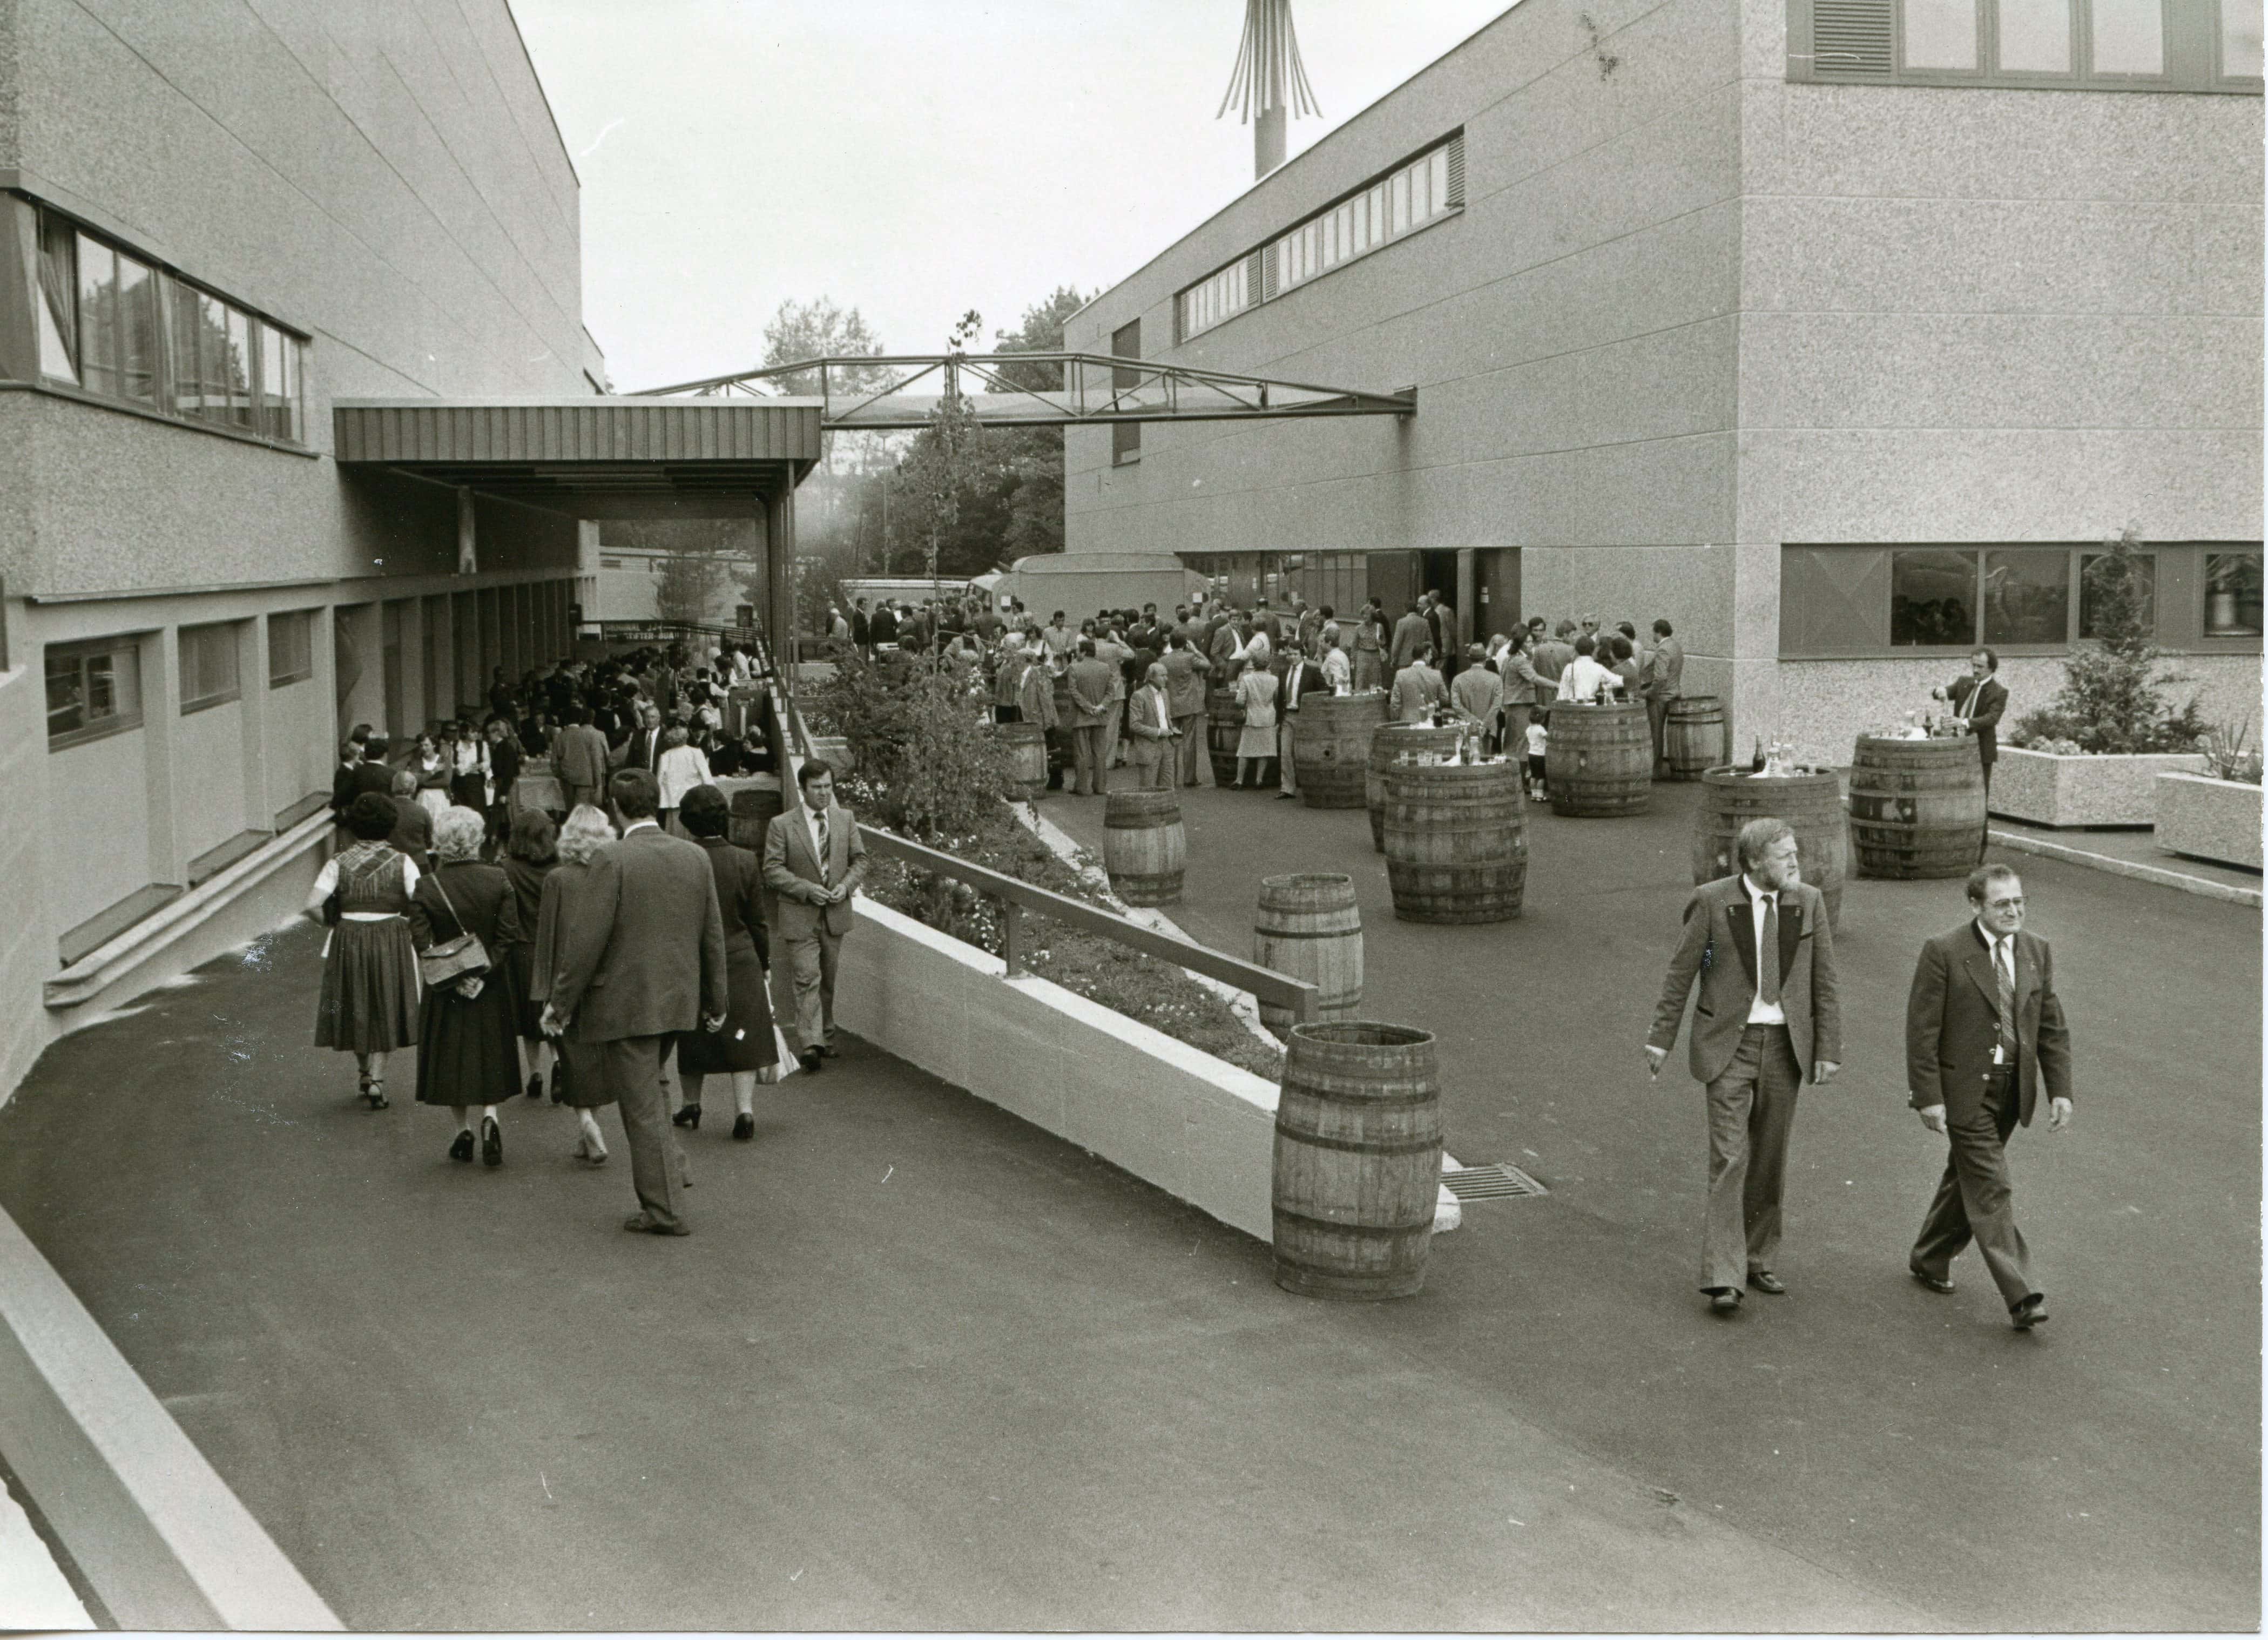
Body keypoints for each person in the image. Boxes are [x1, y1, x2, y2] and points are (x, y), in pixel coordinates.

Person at [1645, 818, 1842, 1314]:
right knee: (1730, 1156)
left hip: (1785, 1047)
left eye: (1796, 853)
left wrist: (1828, 1048)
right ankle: (1723, 1275)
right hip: (1726, 1044)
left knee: (1770, 1157)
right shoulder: (1713, 901)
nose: (1796, 863)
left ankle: (1757, 1256)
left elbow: (1825, 982)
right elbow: (1683, 971)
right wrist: (1660, 1038)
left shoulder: (1808, 901)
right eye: (1785, 856)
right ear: (1755, 861)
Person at [542, 768, 727, 1236]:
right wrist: (717, 1000)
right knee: (654, 1091)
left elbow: (587, 941)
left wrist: (559, 1004)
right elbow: (712, 935)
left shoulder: (612, 857)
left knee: (642, 1104)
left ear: (616, 807)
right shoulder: (694, 856)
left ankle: (663, 1209)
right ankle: (673, 1172)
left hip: (626, 1004)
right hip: (677, 999)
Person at [1904, 865, 2070, 1331]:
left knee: (1967, 1179)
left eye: (2019, 901)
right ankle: (2021, 1293)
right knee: (1991, 1182)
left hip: (2012, 1091)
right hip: (1963, 1091)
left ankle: (1930, 1255)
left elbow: (2052, 1028)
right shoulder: (1944, 951)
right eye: (2002, 904)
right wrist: (1928, 1096)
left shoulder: (2037, 950)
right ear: (1976, 905)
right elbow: (1922, 1031)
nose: (2014, 911)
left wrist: (2061, 1090)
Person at [408, 806, 524, 1168]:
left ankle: (462, 1129)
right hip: (489, 982)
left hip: (447, 986)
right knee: (491, 1048)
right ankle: (491, 1113)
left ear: (439, 842)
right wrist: (482, 973)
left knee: (452, 1056)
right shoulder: (498, 879)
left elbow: (422, 941)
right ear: (476, 839)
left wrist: (455, 976)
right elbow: (508, 935)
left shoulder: (427, 887)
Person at [670, 785, 779, 1143]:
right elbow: (758, 921)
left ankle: (691, 1103)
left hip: (694, 958)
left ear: (687, 822)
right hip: (739, 955)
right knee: (741, 1033)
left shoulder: (680, 858)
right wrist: (764, 962)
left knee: (693, 1034)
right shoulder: (745, 860)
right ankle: (744, 1110)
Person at [306, 792, 422, 1110]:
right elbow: (421, 901)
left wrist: (336, 926)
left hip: (349, 935)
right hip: (390, 935)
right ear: (390, 826)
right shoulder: (403, 862)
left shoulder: (338, 863)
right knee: (387, 1003)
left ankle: (363, 1072)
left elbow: (312, 905)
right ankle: (379, 1080)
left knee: (356, 1002)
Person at [762, 761, 869, 1074]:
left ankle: (826, 1036)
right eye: (817, 788)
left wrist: (846, 886)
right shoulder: (782, 824)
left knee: (828, 978)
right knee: (807, 977)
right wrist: (806, 889)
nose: (824, 793)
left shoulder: (844, 819)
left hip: (835, 912)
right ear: (803, 789)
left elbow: (860, 859)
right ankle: (810, 1044)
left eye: (828, 787)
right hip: (799, 913)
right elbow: (772, 869)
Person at [531, 804, 618, 1163]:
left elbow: (547, 936)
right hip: (607, 977)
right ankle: (590, 1126)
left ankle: (585, 1121)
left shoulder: (558, 879)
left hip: (567, 978)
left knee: (572, 1054)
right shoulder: (614, 873)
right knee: (598, 1056)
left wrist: (544, 991)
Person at [500, 808, 558, 1103]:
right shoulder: (558, 867)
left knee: (527, 1016)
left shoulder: (507, 868)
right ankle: (559, 1061)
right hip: (553, 948)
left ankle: (535, 1073)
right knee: (553, 1010)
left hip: (521, 948)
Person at [1934, 647, 2008, 800]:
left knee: (1979, 797)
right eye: (1973, 665)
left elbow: (1992, 718)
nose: (1975, 670)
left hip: (1981, 750)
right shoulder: (1963, 683)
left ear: (1992, 669)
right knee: (1955, 793)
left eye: (1980, 667)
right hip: (1957, 747)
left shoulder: (1999, 692)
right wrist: (1939, 691)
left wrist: (1963, 722)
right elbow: (1943, 692)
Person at [1277, 641, 1327, 800]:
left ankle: (1313, 785)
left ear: (1302, 655)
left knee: (1307, 753)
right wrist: (1279, 718)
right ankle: (1287, 788)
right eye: (1289, 654)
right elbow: (1280, 697)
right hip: (1288, 715)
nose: (1292, 658)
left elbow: (1324, 691)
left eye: (1295, 654)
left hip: (1306, 716)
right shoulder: (1284, 672)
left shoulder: (1312, 671)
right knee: (1285, 752)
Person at [1065, 639, 1116, 797]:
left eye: (1078, 651)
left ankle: (1082, 786)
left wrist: (1088, 708)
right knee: (1100, 753)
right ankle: (1100, 787)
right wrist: (1101, 706)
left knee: (1082, 753)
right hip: (1100, 716)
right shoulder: (1105, 668)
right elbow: (1111, 692)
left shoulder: (1074, 668)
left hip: (1082, 717)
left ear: (1084, 652)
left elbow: (1073, 691)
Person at [1162, 631, 1212, 787]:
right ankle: (1189, 778)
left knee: (1172, 742)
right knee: (1189, 741)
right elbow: (1207, 664)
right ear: (1185, 644)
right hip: (1189, 704)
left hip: (1171, 703)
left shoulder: (1164, 660)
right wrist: (1196, 650)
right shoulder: (1190, 658)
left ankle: (1172, 777)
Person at [1124, 662, 1177, 792]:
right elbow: (1134, 725)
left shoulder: (1165, 693)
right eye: (1162, 676)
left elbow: (1166, 716)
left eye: (1167, 675)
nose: (1166, 679)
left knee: (1168, 787)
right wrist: (1158, 732)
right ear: (1151, 678)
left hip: (1166, 745)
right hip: (1149, 747)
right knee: (1148, 789)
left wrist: (1172, 729)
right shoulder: (1139, 696)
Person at [654, 725, 713, 835]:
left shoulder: (665, 756)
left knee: (675, 834)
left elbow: (659, 781)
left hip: (674, 803)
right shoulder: (696, 753)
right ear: (686, 737)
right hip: (694, 802)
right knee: (695, 833)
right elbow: (707, 778)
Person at [1644, 618, 1685, 775]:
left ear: (1658, 632)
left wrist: (1650, 693)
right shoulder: (1675, 646)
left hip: (1661, 697)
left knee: (1656, 734)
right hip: (1674, 693)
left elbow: (1660, 677)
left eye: (1653, 632)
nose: (1652, 636)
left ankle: (1655, 770)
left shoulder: (1662, 650)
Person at [1231, 656, 1279, 789]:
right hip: (1268, 717)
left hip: (1252, 717)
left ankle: (1239, 780)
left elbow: (1240, 701)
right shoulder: (1274, 680)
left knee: (1245, 750)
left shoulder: (1247, 679)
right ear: (1268, 664)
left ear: (1253, 664)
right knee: (1264, 751)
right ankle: (1259, 780)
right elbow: (1276, 698)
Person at [553, 705, 610, 814]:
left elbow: (554, 763)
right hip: (585, 779)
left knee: (570, 811)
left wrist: (561, 775)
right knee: (582, 812)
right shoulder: (590, 735)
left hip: (567, 779)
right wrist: (598, 784)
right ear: (580, 719)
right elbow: (596, 761)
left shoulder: (559, 737)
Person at [1450, 643, 1503, 751]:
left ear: (1470, 660)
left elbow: (1456, 705)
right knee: (1485, 759)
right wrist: (1484, 725)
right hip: (1489, 728)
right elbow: (1497, 705)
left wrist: (1473, 721)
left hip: (1467, 726)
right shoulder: (1496, 679)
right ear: (1485, 660)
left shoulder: (1458, 679)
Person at [387, 770, 435, 866]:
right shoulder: (422, 811)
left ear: (393, 786)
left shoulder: (384, 809)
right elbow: (430, 839)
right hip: (418, 862)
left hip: (391, 862)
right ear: (413, 787)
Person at [1391, 643, 1447, 724]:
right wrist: (1434, 702)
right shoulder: (1436, 674)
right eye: (1430, 654)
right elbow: (1445, 698)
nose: (1431, 657)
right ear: (1425, 656)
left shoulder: (1401, 674)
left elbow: (1395, 704)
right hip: (1430, 721)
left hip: (1407, 722)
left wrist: (1395, 720)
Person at [1557, 635, 1619, 703]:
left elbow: (1562, 692)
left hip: (1574, 707)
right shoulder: (1599, 668)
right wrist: (1606, 688)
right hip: (1591, 706)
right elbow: (1618, 681)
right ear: (1593, 650)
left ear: (1577, 650)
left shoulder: (1570, 667)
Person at [409, 732, 451, 818]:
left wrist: (423, 783)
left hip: (440, 799)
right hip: (423, 798)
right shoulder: (416, 762)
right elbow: (415, 780)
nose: (424, 748)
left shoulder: (444, 760)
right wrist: (433, 772)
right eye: (421, 746)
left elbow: (446, 781)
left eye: (426, 745)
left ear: (434, 745)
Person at [1389, 601, 1432, 673]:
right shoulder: (1425, 622)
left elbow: (1397, 643)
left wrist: (1394, 659)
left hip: (1405, 660)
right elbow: (1430, 640)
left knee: (1405, 682)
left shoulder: (1401, 622)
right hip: (1421, 659)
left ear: (1405, 610)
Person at [1353, 599, 1386, 692]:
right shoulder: (1358, 628)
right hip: (1362, 655)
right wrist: (1353, 660)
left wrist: (1380, 642)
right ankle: (1359, 698)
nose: (1364, 617)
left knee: (1375, 679)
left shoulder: (1379, 627)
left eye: (1366, 614)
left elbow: (1384, 642)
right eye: (1363, 614)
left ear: (1372, 615)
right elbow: (1354, 645)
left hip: (1375, 656)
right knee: (1361, 679)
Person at [1524, 708, 1550, 802]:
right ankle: (1540, 795)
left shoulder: (1529, 729)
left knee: (1534, 775)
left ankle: (1534, 794)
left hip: (1531, 754)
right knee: (1541, 776)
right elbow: (1548, 737)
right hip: (1540, 755)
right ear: (1542, 719)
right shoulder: (1540, 729)